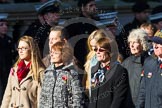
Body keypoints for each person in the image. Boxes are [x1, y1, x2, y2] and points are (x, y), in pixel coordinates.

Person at [1, 36, 45, 108]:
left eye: (24, 48)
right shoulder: (14, 71)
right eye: (19, 48)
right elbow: (7, 95)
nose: (20, 51)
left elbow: (41, 100)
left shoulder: (39, 72)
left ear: (32, 50)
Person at [39, 41, 83, 108]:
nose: (51, 55)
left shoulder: (71, 73)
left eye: (55, 53)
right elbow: (43, 97)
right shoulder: (47, 73)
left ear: (63, 54)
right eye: (51, 52)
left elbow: (77, 97)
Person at [88, 37, 128, 108]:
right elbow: (93, 96)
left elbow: (118, 98)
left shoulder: (119, 70)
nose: (97, 52)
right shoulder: (94, 69)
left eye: (101, 50)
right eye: (96, 49)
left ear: (110, 52)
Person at [121, 29, 149, 108]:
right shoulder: (126, 63)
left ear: (142, 43)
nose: (131, 46)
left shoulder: (151, 62)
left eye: (135, 42)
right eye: (130, 42)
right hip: (128, 103)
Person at [136, 29, 162, 108]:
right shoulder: (149, 63)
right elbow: (142, 91)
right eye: (154, 43)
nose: (155, 46)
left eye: (159, 43)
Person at [0, 13, 17, 104]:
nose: (5, 27)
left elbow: (13, 56)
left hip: (7, 70)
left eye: (6, 25)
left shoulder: (9, 40)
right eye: (1, 25)